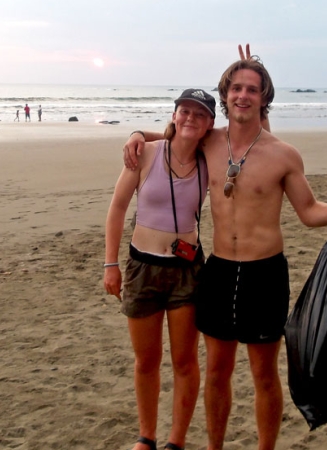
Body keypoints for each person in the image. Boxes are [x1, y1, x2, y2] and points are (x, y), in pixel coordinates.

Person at [123, 46, 327, 450]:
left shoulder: (283, 155)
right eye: (236, 88)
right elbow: (176, 134)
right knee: (217, 372)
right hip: (218, 271)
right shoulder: (210, 142)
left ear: (264, 97)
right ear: (225, 96)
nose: (242, 95)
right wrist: (137, 133)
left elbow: (308, 211)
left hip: (265, 273)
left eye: (252, 89)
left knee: (264, 374)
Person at [105, 88, 217, 450]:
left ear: (209, 125)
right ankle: (146, 436)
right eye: (184, 111)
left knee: (185, 361)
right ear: (173, 115)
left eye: (199, 114)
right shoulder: (146, 154)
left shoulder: (209, 159)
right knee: (146, 360)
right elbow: (118, 208)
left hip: (186, 271)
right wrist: (111, 264)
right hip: (142, 267)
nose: (190, 118)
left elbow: (251, 139)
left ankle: (176, 441)